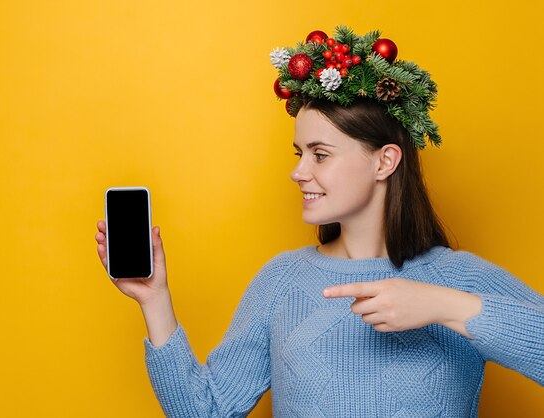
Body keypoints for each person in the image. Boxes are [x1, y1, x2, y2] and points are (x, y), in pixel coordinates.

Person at [94, 26, 544, 417]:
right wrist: (155, 301)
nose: (298, 171)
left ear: (385, 161)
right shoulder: (282, 281)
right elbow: (207, 411)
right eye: (299, 153)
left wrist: (446, 307)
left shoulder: (457, 278)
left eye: (320, 155)